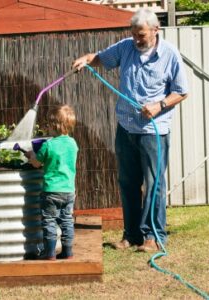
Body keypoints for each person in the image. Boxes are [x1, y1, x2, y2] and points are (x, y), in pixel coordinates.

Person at [73, 8, 188, 252]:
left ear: (156, 30)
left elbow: (182, 91)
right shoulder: (126, 47)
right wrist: (86, 59)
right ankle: (132, 235)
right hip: (126, 128)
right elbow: (101, 58)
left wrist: (159, 105)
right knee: (127, 182)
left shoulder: (170, 55)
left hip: (153, 130)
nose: (137, 39)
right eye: (134, 34)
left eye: (142, 35)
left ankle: (153, 236)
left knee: (153, 183)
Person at [27, 104, 78, 260]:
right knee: (67, 220)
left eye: (49, 125)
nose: (47, 127)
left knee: (49, 221)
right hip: (69, 191)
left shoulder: (48, 145)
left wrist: (31, 156)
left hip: (51, 191)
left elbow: (36, 163)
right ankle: (68, 252)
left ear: (54, 125)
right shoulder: (73, 144)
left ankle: (49, 253)